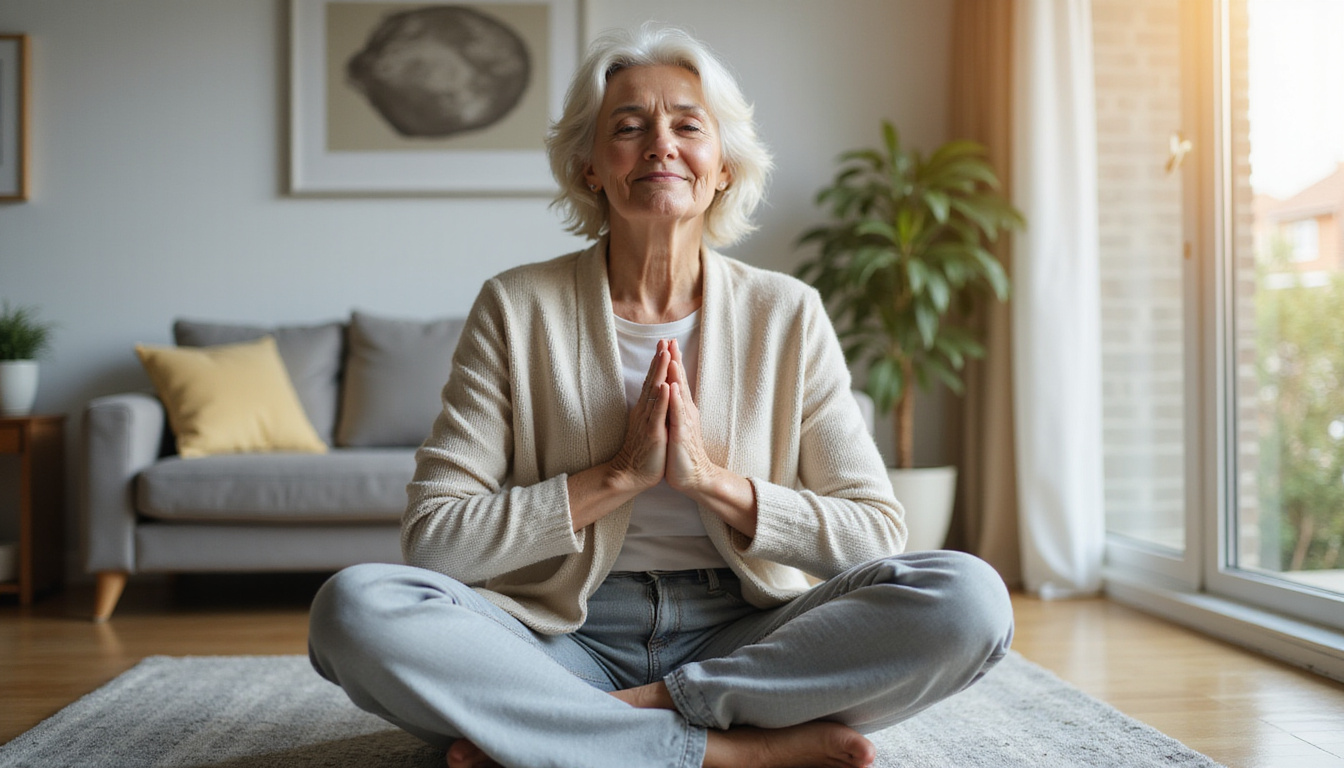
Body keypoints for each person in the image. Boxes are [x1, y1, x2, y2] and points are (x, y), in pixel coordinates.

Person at [308, 25, 1013, 768]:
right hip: (557, 635)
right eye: (628, 126)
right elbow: (435, 540)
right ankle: (737, 753)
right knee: (354, 610)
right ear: (588, 168)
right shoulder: (516, 307)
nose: (660, 145)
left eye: (687, 125)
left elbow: (874, 534)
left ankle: (585, 728)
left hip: (747, 632)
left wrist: (713, 481)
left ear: (724, 168)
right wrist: (612, 479)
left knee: (969, 599)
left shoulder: (787, 312)